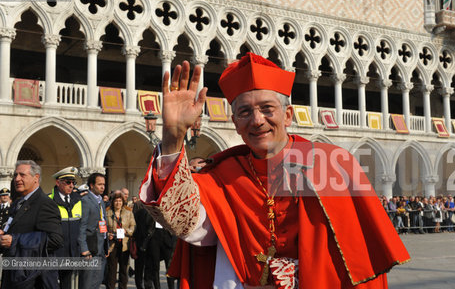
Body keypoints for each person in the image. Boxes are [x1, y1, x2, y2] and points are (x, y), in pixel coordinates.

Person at [139, 53, 410, 288]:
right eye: (244, 112)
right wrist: (173, 137)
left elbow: (358, 262)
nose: (257, 121)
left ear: (288, 114)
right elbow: (181, 221)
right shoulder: (223, 174)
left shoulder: (330, 165)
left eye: (267, 108)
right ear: (235, 123)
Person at [0, 160, 63, 288]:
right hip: (14, 275)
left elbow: (56, 240)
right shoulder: (17, 203)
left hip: (34, 279)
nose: (17, 179)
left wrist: (16, 240)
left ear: (36, 178)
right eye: (15, 175)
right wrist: (4, 236)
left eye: (22, 175)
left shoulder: (45, 203)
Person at [50, 166, 83, 289]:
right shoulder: (49, 200)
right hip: (54, 253)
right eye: (67, 182)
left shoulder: (78, 201)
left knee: (68, 285)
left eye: (73, 182)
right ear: (58, 182)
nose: (71, 185)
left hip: (72, 253)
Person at [78, 173, 108, 289]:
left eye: (104, 184)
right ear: (91, 185)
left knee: (98, 280)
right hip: (91, 247)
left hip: (101, 247)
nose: (102, 187)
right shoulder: (86, 200)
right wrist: (84, 249)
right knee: (88, 282)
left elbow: (102, 222)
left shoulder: (101, 201)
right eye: (99, 184)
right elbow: (82, 226)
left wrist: (106, 244)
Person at [106, 190, 136, 289]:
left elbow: (133, 226)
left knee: (124, 270)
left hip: (124, 245)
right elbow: (102, 227)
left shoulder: (128, 212)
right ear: (112, 202)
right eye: (116, 201)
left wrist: (126, 231)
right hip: (112, 245)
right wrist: (107, 234)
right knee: (112, 271)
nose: (118, 203)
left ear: (123, 202)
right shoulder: (107, 212)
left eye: (120, 201)